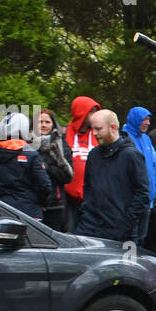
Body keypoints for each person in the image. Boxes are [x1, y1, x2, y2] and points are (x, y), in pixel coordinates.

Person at [75, 109, 150, 242]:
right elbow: (88, 186)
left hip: (121, 232)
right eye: (93, 129)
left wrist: (125, 225)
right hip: (89, 227)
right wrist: (86, 212)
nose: (95, 134)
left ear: (113, 127)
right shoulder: (93, 154)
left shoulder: (131, 155)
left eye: (98, 129)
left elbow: (142, 194)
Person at [0, 112, 53, 220]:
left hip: (0, 212)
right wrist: (42, 202)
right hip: (29, 213)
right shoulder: (31, 154)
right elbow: (45, 186)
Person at [63, 95, 102, 232]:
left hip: (91, 198)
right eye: (91, 111)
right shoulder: (64, 133)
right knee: (69, 234)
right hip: (68, 198)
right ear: (81, 112)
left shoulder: (98, 134)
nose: (95, 115)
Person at [121, 106, 156, 242]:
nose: (148, 123)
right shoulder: (124, 138)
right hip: (133, 199)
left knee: (142, 237)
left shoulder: (146, 139)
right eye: (144, 119)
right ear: (136, 120)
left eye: (149, 119)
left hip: (148, 197)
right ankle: (130, 261)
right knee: (131, 237)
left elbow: (155, 166)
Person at [32, 108, 74, 231]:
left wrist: (47, 168)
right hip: (32, 203)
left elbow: (67, 176)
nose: (44, 125)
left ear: (53, 124)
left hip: (55, 204)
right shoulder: (27, 145)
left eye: (47, 122)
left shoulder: (61, 146)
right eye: (40, 122)